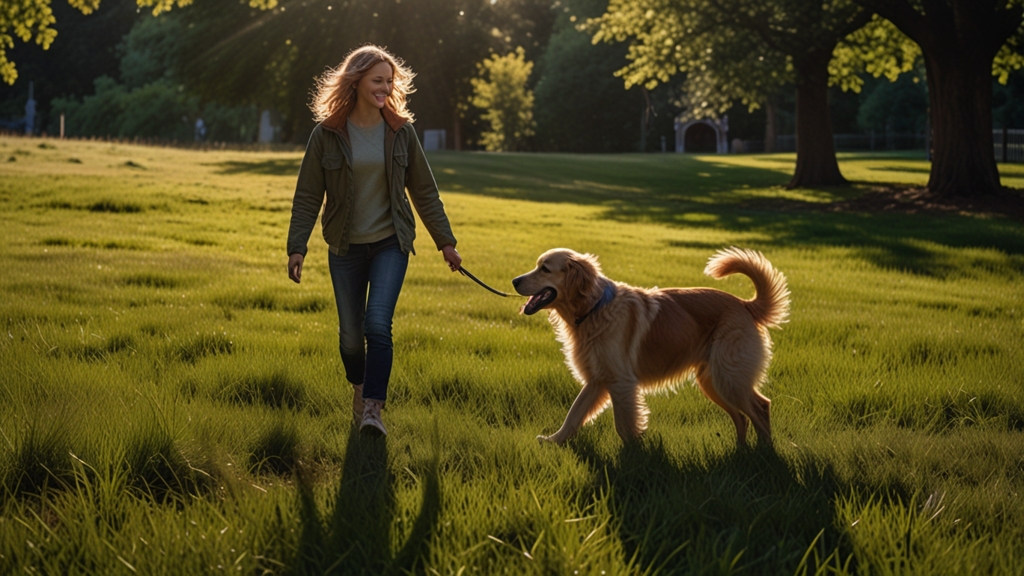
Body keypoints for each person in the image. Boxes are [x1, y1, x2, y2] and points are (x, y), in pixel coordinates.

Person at [286, 45, 461, 436]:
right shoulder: (327, 134)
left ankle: (372, 409)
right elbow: (308, 195)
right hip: (345, 248)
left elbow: (425, 191)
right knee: (351, 337)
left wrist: (445, 242)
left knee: (378, 325)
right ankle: (359, 386)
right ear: (357, 81)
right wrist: (297, 246)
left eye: (389, 81)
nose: (385, 88)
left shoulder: (401, 132)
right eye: (377, 80)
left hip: (389, 244)